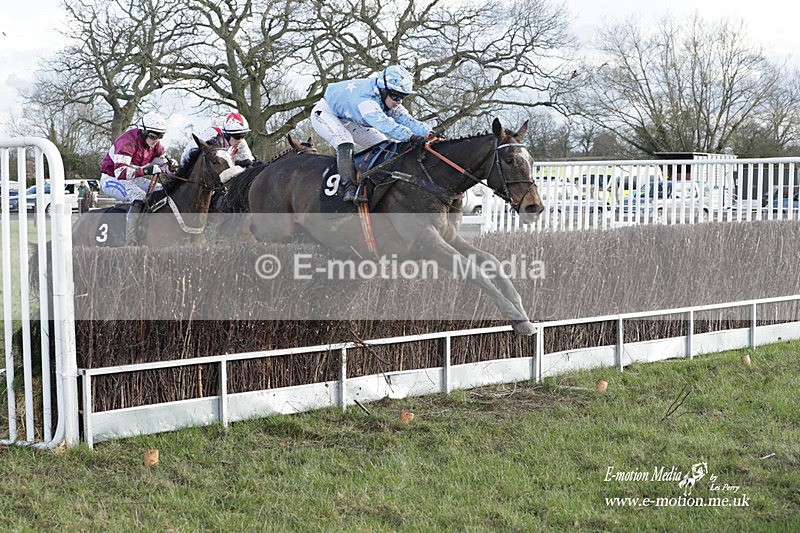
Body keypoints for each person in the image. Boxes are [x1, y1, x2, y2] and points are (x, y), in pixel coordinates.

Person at [310, 65, 435, 203]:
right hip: (325, 114)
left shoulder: (386, 97)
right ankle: (349, 188)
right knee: (344, 140)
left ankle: (376, 182)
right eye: (395, 96)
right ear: (383, 89)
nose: (398, 102)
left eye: (402, 97)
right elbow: (386, 125)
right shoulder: (366, 100)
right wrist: (411, 137)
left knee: (383, 145)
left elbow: (407, 120)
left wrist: (429, 132)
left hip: (350, 119)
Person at [99, 112, 174, 244]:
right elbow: (120, 173)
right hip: (112, 179)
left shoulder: (155, 146)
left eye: (160, 136)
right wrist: (146, 170)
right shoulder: (127, 142)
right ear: (144, 132)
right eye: (153, 136)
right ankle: (131, 239)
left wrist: (172, 167)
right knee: (139, 195)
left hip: (133, 178)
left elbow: (164, 166)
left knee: (162, 190)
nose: (156, 140)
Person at [178, 112, 255, 175]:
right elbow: (189, 152)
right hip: (197, 169)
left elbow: (249, 160)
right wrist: (239, 163)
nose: (240, 140)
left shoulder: (240, 141)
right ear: (227, 135)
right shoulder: (212, 135)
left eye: (244, 135)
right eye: (238, 136)